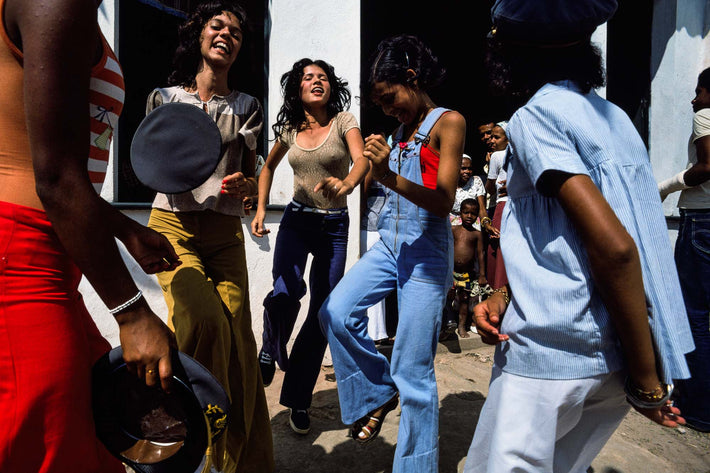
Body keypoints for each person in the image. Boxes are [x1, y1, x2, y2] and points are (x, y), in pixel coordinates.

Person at [464, 1, 694, 472]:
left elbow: (616, 248)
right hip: (611, 362)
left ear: (509, 55)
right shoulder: (615, 119)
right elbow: (569, 235)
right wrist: (506, 292)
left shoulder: (534, 117)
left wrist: (648, 383)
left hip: (552, 356)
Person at [0, 1, 181, 472]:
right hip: (20, 261)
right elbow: (56, 179)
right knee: (55, 449)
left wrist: (121, 227)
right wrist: (133, 313)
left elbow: (47, 165)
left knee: (98, 435)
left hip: (49, 255)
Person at [319, 34, 465, 472]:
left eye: (390, 98)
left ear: (411, 77)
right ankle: (378, 391)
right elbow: (367, 173)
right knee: (336, 312)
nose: (387, 110)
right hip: (389, 244)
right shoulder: (400, 132)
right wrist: (355, 179)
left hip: (427, 253)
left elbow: (443, 201)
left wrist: (385, 173)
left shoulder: (448, 122)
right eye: (380, 105)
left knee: (414, 371)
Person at [145, 2, 274, 471]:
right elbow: (151, 164)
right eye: (217, 26)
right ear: (199, 35)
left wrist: (246, 183)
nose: (226, 35)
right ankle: (189, 439)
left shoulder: (247, 106)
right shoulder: (163, 99)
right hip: (172, 224)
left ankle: (241, 460)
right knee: (202, 319)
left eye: (236, 32)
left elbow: (251, 168)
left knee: (239, 339)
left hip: (222, 231)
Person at [250, 58, 369, 435]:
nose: (316, 82)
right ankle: (271, 347)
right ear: (297, 89)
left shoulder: (345, 121)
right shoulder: (288, 129)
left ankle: (299, 400)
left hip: (334, 225)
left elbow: (361, 159)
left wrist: (347, 185)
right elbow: (266, 167)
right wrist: (260, 206)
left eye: (322, 77)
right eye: (308, 78)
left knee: (323, 311)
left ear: (330, 87)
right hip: (297, 220)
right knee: (286, 291)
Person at [657, 66, 710, 432]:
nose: (694, 100)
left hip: (702, 222)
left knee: (694, 317)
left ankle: (697, 409)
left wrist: (666, 186)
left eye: (699, 91)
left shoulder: (706, 116)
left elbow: (707, 166)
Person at [448, 198, 487, 339]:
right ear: (460, 213)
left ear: (477, 215)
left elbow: (481, 254)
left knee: (465, 300)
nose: (469, 216)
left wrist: (482, 274)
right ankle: (447, 325)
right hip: (451, 272)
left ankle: (461, 326)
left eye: (473, 213)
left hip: (467, 274)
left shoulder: (476, 234)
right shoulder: (453, 230)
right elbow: (446, 250)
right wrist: (447, 269)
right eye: (466, 212)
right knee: (448, 298)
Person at [484, 123, 509, 288]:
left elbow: (490, 189)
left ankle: (498, 288)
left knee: (498, 249)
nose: (491, 140)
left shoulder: (497, 156)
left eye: (496, 137)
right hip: (519, 208)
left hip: (502, 207)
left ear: (508, 140)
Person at [450, 154, 497, 240]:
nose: (467, 171)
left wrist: (487, 225)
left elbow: (482, 209)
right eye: (463, 168)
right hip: (452, 228)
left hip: (473, 227)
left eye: (470, 169)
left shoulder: (476, 181)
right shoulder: (449, 184)